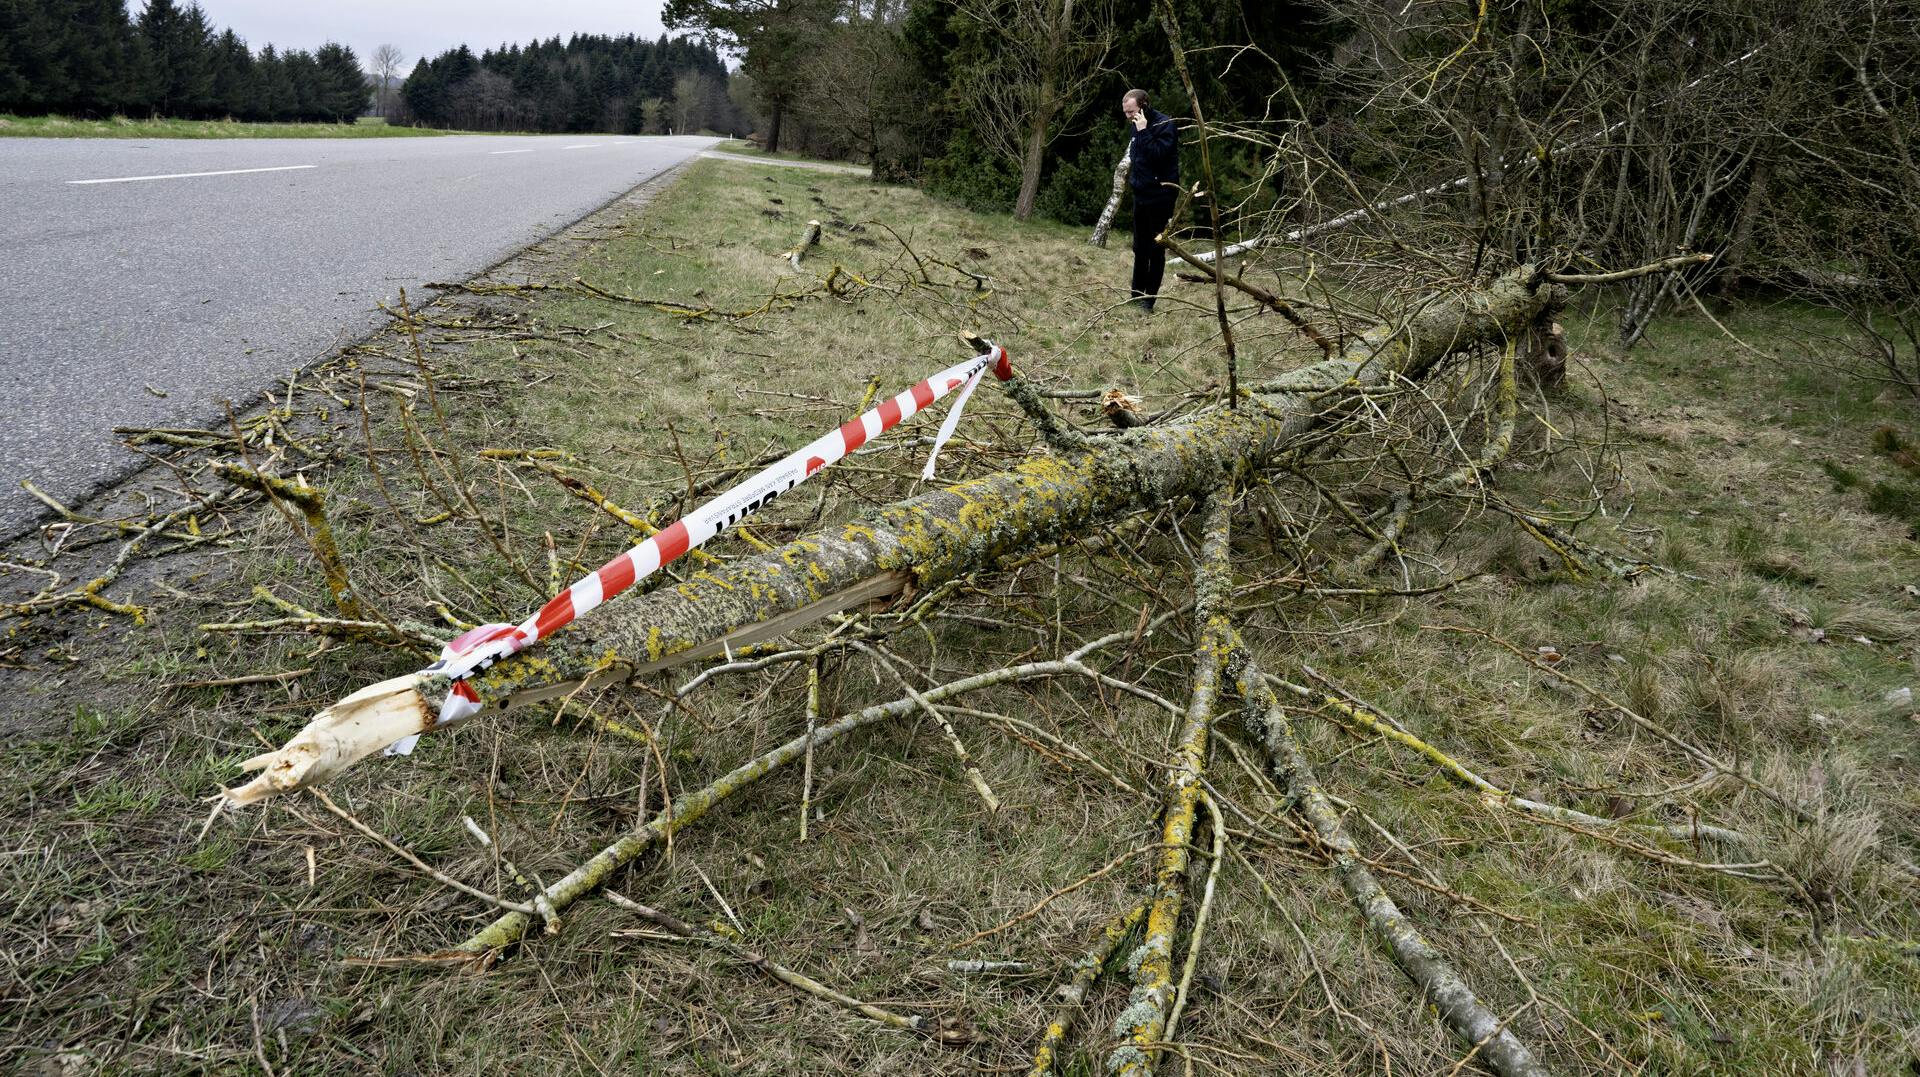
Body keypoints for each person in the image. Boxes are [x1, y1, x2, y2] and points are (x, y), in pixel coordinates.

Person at [1121, 89, 1179, 312]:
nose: (1128, 116)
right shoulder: (1135, 125)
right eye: (1126, 112)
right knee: (1139, 248)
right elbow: (1138, 158)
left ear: (1144, 106)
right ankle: (1135, 296)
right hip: (1141, 195)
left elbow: (1157, 156)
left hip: (1161, 196)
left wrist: (1144, 131)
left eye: (1131, 111)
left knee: (1155, 250)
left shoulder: (1166, 125)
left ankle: (1149, 301)